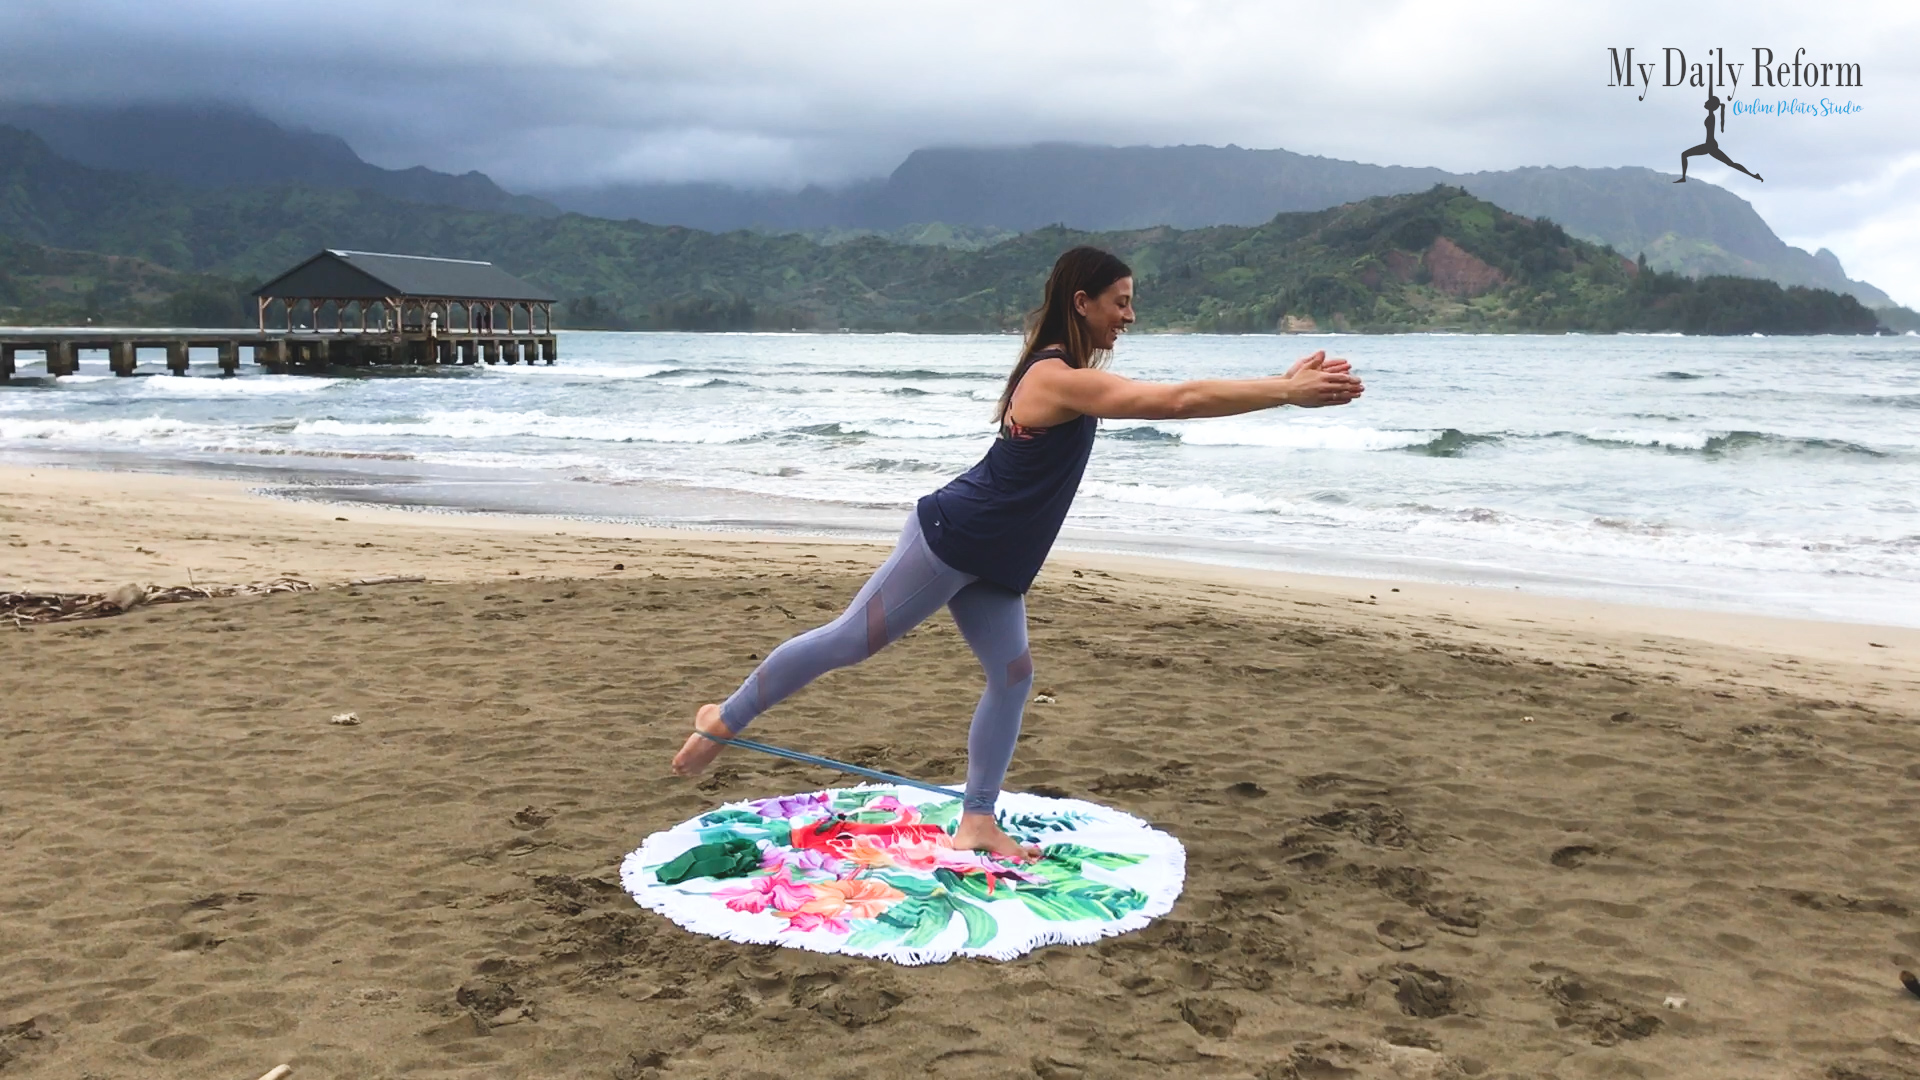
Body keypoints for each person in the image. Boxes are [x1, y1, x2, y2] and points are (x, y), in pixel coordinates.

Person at [672, 246, 1365, 858]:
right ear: (1082, 303)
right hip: (955, 540)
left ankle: (977, 819)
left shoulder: (1067, 374)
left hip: (997, 563)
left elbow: (1173, 396)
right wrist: (1284, 391)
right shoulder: (1054, 375)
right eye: (1120, 304)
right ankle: (723, 719)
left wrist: (1283, 386)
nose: (1129, 317)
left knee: (1011, 678)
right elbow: (1175, 399)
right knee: (852, 641)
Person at [1673, 91, 1762, 183]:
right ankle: (1753, 176)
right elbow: (1710, 94)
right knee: (1730, 164)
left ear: (1711, 105)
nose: (1705, 102)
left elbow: (1710, 91)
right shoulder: (1711, 114)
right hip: (1710, 145)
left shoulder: (1711, 115)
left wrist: (1710, 78)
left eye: (1707, 101)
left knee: (1684, 154)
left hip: (1709, 145)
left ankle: (1683, 178)